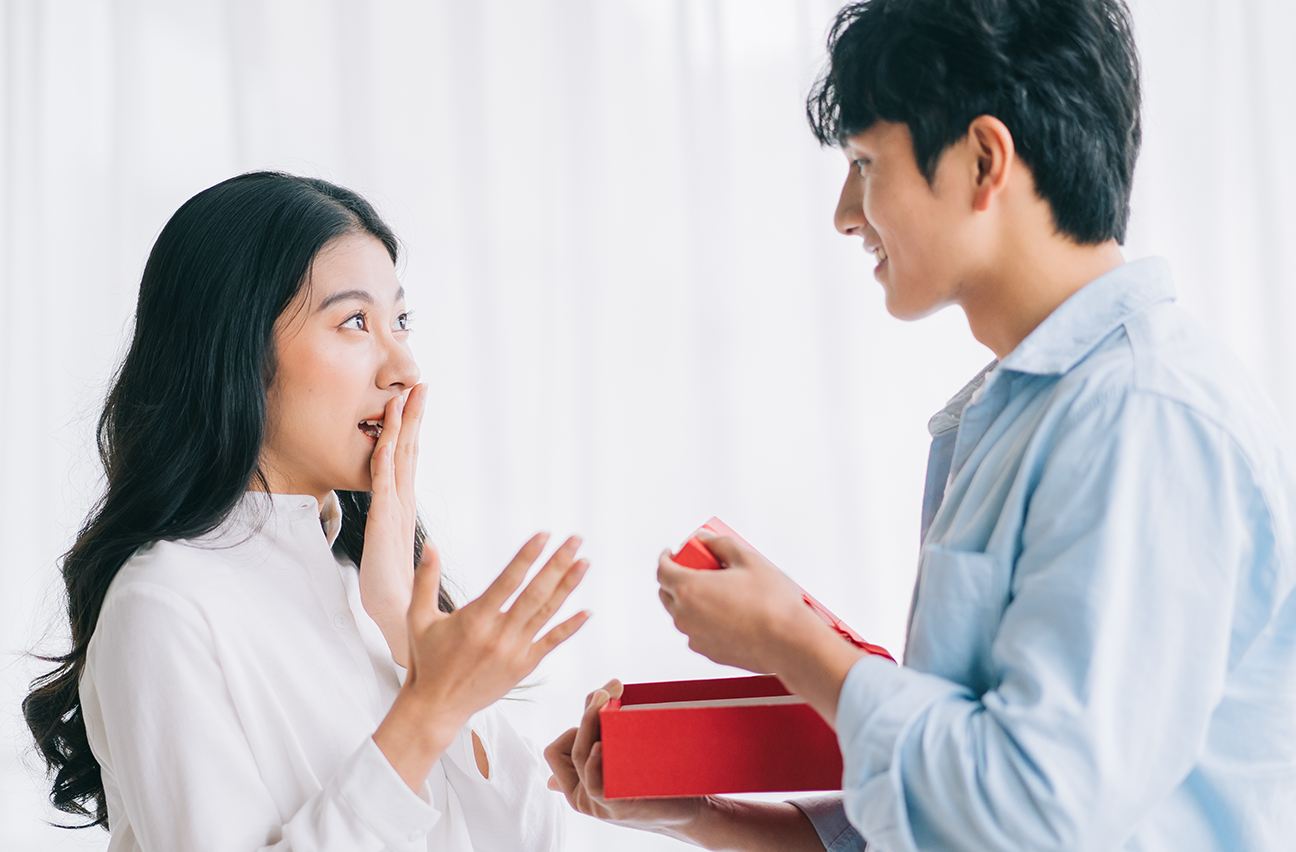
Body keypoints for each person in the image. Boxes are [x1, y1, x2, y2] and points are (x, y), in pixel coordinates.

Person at [546, 0, 1296, 850]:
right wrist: (698, 812)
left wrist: (795, 644)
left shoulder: (1144, 419)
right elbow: (956, 814)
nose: (844, 211)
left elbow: (1028, 809)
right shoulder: (1026, 416)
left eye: (866, 162)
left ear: (983, 159)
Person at [24, 172, 589, 851]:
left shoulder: (371, 588)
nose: (404, 367)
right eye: (355, 322)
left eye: (400, 321)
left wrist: (404, 629)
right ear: (236, 349)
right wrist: (423, 715)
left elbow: (535, 837)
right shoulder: (164, 600)